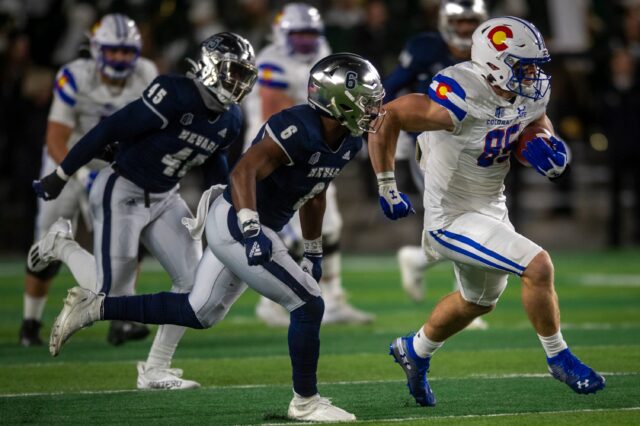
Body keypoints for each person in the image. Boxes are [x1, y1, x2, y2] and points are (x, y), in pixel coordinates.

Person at [47, 53, 385, 421]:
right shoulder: (296, 126)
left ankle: (94, 307)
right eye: (367, 99)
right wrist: (252, 229)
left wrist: (314, 251)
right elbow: (242, 173)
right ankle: (305, 401)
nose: (373, 108)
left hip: (253, 223)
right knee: (308, 303)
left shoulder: (350, 141)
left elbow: (315, 192)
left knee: (198, 311)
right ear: (337, 99)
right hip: (240, 218)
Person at [368, 16, 605, 406]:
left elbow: (536, 122)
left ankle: (415, 350)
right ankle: (558, 356)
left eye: (535, 65)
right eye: (522, 65)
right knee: (538, 265)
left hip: (491, 206)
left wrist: (547, 143)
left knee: (478, 301)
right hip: (451, 215)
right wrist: (386, 184)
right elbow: (386, 117)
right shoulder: (461, 92)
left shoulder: (528, 91)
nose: (532, 74)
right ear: (495, 62)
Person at [32, 32, 258, 390]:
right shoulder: (174, 92)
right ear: (212, 68)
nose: (238, 83)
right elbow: (110, 128)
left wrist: (225, 211)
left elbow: (216, 170)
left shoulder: (230, 119)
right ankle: (61, 244)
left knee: (193, 284)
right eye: (233, 73)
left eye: (244, 76)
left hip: (166, 195)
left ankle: (155, 369)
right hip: (122, 188)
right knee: (113, 297)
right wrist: (61, 174)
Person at [20, 14, 158, 347]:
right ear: (96, 49)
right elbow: (55, 137)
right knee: (45, 246)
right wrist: (77, 171)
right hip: (65, 161)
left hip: (114, 165)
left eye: (127, 52)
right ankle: (30, 322)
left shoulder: (147, 75)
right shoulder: (74, 76)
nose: (121, 59)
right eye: (113, 51)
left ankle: (120, 319)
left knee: (124, 240)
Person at [244, 2, 373, 327]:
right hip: (279, 154)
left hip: (314, 151)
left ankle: (333, 298)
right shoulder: (271, 60)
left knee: (329, 228)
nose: (305, 41)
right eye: (298, 34)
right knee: (287, 236)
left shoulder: (323, 53)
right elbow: (275, 107)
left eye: (310, 34)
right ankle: (269, 302)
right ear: (281, 33)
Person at [384, 1, 489, 332]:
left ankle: (418, 260)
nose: (464, 29)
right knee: (461, 215)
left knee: (479, 217)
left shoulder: (489, 51)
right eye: (459, 22)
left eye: (470, 22)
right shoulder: (425, 47)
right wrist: (385, 127)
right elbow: (390, 86)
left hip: (479, 144)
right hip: (432, 142)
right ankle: (464, 299)